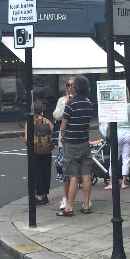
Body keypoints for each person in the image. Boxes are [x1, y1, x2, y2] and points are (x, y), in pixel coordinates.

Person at [57, 75, 94, 217]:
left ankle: (69, 207)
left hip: (72, 143)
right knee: (86, 174)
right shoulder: (89, 105)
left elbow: (63, 127)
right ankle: (86, 205)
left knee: (73, 175)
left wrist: (64, 138)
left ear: (76, 88)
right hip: (84, 141)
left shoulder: (70, 105)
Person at [104, 87, 130, 190]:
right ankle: (123, 182)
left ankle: (111, 183)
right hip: (128, 132)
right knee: (126, 159)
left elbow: (109, 123)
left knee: (113, 158)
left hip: (117, 133)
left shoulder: (114, 106)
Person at [25, 99, 54, 205]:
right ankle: (45, 195)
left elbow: (27, 138)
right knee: (46, 173)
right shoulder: (47, 121)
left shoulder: (30, 122)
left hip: (35, 152)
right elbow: (52, 132)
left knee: (37, 173)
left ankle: (40, 196)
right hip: (47, 151)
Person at [53, 77, 74, 210]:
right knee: (64, 172)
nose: (70, 88)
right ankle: (65, 199)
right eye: (68, 85)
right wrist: (66, 104)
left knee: (81, 173)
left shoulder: (83, 100)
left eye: (72, 85)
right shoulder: (62, 100)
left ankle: (86, 200)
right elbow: (56, 115)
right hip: (64, 141)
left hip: (78, 139)